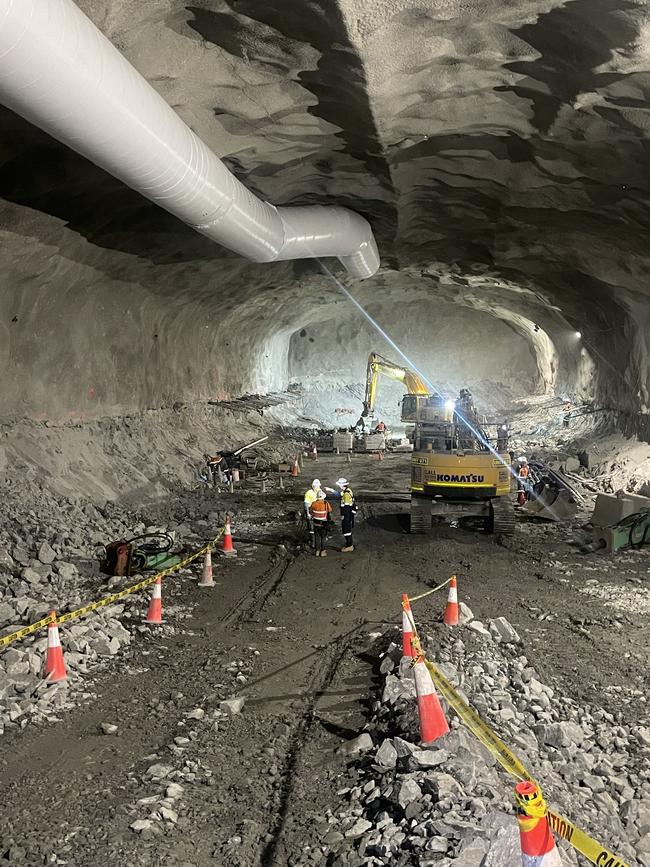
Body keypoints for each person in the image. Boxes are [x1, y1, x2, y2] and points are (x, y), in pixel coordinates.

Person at [326, 477, 358, 552]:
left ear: (342, 485)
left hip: (347, 515)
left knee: (346, 530)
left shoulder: (346, 494)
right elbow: (339, 495)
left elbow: (346, 507)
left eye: (339, 485)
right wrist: (331, 490)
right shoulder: (347, 491)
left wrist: (343, 516)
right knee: (347, 529)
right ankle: (348, 544)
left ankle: (350, 546)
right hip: (349, 514)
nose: (339, 486)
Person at [309, 490, 332, 556]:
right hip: (324, 523)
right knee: (323, 537)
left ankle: (317, 551)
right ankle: (323, 551)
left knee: (317, 537)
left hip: (316, 523)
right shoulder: (325, 503)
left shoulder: (313, 503)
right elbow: (330, 510)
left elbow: (310, 512)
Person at [304, 479, 321, 548]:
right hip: (311, 512)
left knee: (317, 527)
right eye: (316, 486)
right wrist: (308, 513)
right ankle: (312, 542)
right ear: (313, 486)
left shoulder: (319, 492)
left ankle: (316, 542)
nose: (318, 488)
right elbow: (306, 504)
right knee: (311, 528)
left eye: (318, 486)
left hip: (317, 512)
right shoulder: (309, 493)